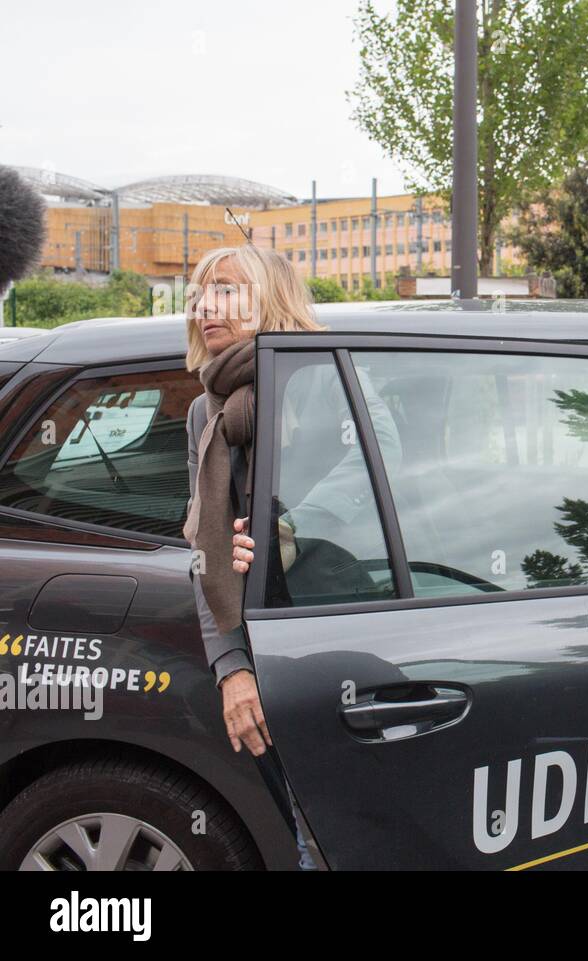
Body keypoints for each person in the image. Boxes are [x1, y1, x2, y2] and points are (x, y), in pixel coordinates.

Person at [184, 243, 399, 869]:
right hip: (267, 646)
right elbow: (205, 547)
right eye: (199, 292)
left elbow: (379, 450)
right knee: (319, 840)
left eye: (225, 289)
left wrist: (292, 531)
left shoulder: (323, 378)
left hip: (343, 626)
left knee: (348, 840)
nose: (205, 306)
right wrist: (232, 669)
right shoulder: (205, 408)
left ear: (270, 301)